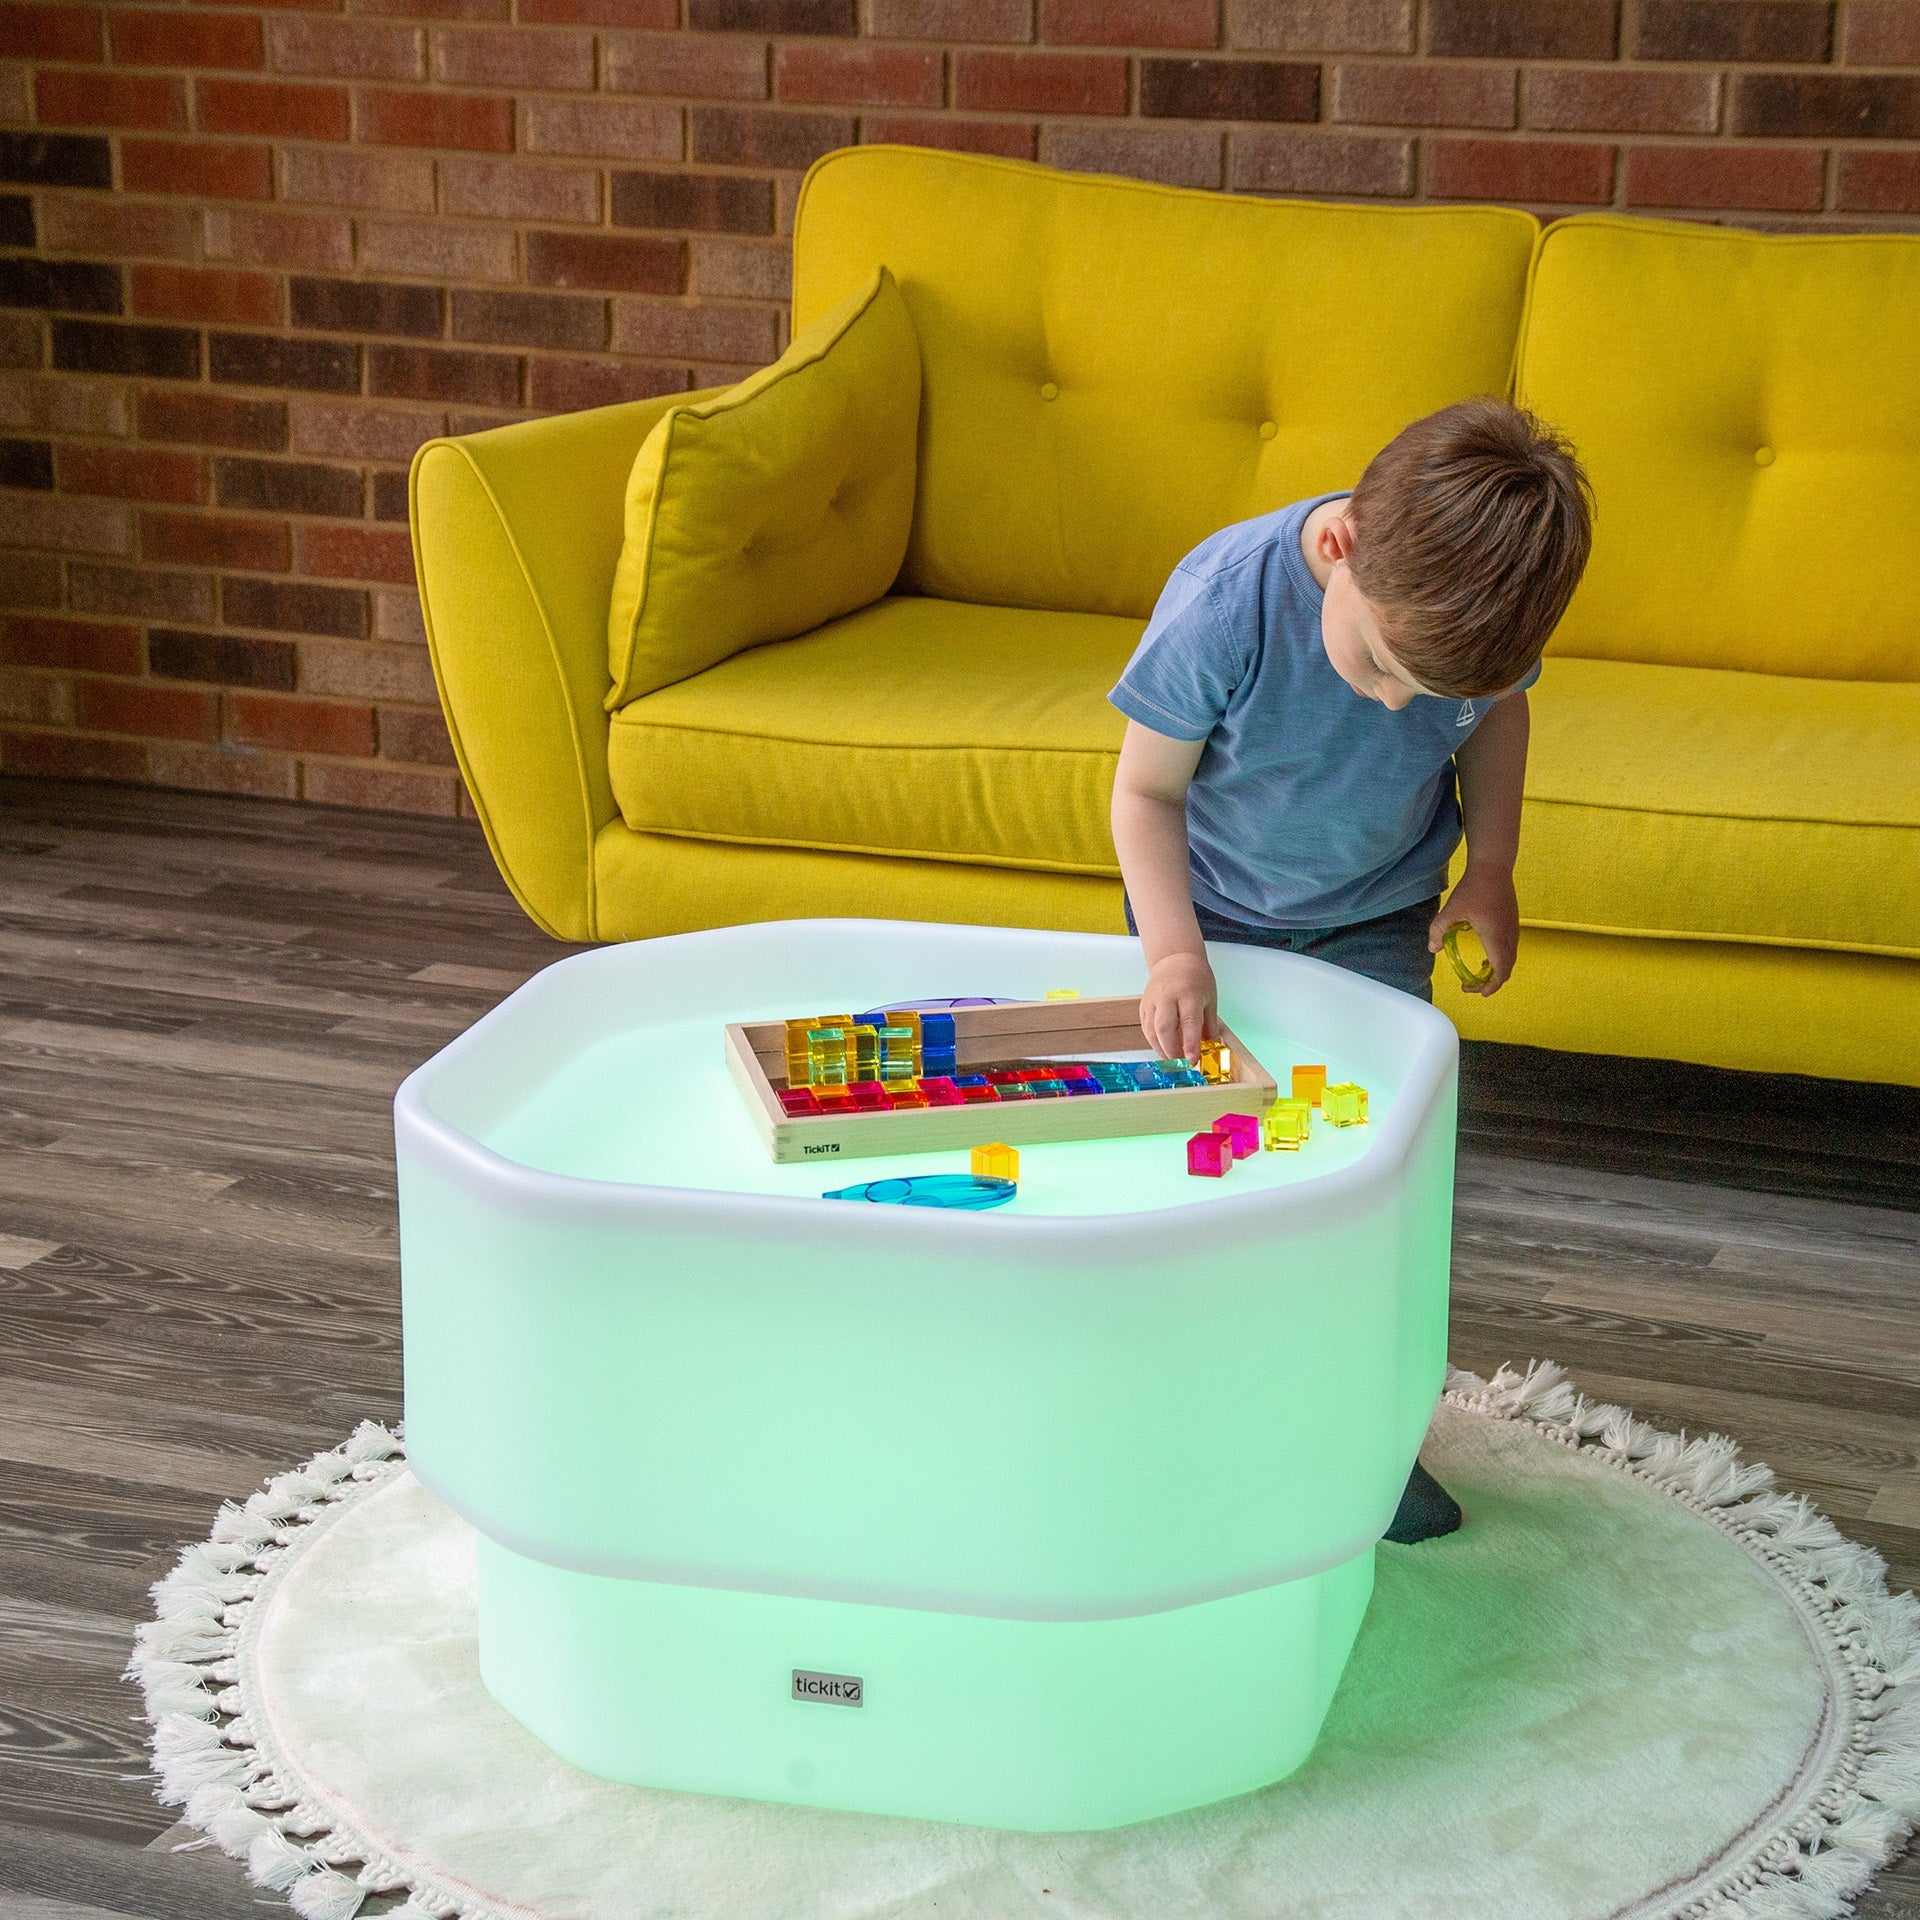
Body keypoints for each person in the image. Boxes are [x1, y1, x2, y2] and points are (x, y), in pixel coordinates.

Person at [1107, 396, 1594, 1544]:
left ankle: (1367, 1441)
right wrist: (1173, 950)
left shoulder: (1475, 629)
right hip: (1211, 923)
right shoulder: (1228, 602)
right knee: (1215, 1174)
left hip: (1381, 918)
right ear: (1338, 547)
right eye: (1379, 663)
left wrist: (1492, 866)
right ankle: (1183, 1414)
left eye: (1429, 692)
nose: (1394, 702)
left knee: (1370, 1182)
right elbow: (1144, 791)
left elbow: (1496, 722)